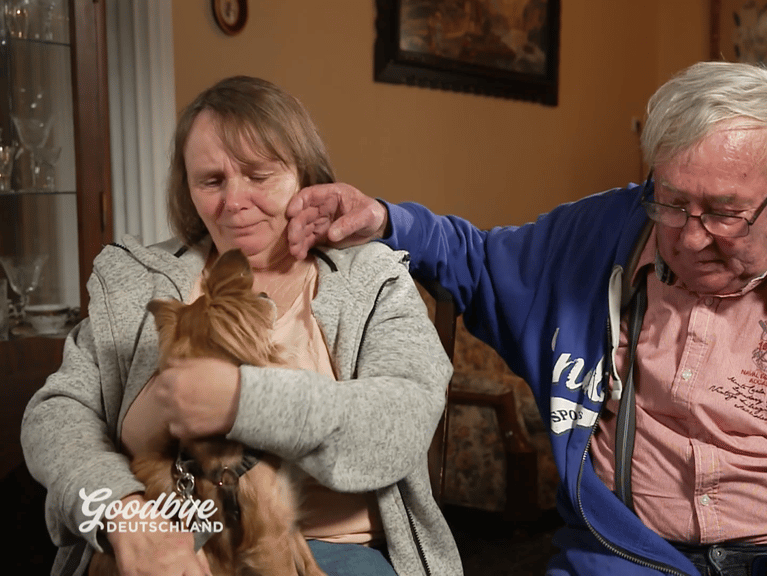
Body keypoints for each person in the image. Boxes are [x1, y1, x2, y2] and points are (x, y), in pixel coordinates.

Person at [285, 61, 767, 575]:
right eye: (670, 201)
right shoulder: (602, 232)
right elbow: (482, 262)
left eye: (722, 212)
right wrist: (386, 218)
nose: (688, 237)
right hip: (621, 555)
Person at [21, 76, 461, 576]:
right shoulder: (135, 279)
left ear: (304, 176)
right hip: (163, 543)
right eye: (211, 181)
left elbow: (403, 419)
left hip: (332, 550)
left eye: (258, 175)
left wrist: (242, 401)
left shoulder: (372, 280)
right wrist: (118, 509)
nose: (233, 201)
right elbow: (55, 415)